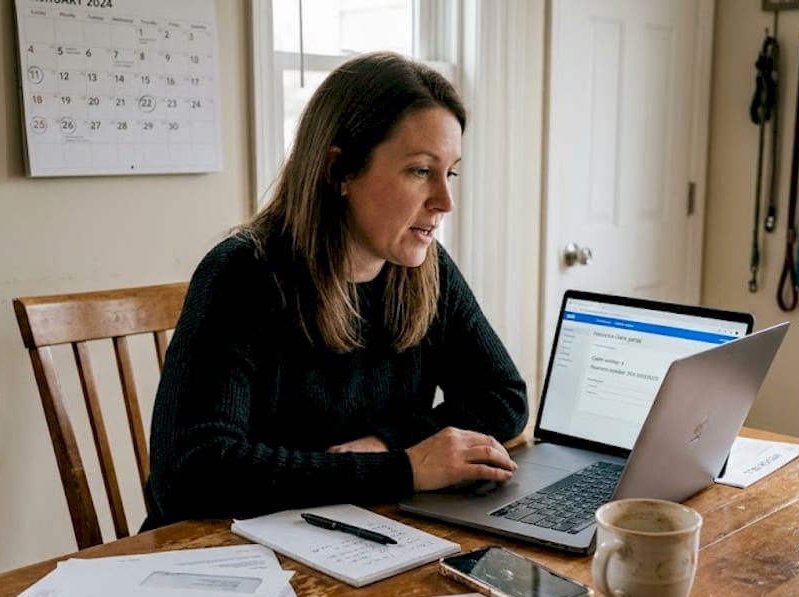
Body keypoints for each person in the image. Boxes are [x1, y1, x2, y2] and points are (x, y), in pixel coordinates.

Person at [142, 52, 529, 529]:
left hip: (353, 535)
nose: (445, 202)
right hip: (221, 555)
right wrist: (403, 468)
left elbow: (503, 397)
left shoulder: (428, 269)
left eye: (450, 172)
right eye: (420, 171)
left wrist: (389, 442)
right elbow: (192, 472)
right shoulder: (241, 273)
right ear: (339, 171)